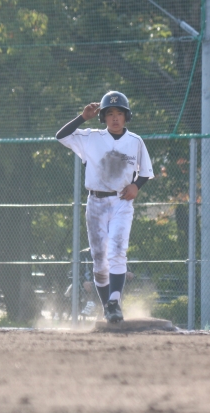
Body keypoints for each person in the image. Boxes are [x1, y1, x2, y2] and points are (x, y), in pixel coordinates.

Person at [56, 91, 154, 323]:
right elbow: (61, 136)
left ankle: (114, 302)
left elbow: (145, 172)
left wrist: (136, 186)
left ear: (126, 116)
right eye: (109, 113)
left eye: (119, 112)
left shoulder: (135, 141)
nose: (115, 117)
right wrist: (82, 118)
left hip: (121, 202)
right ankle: (108, 308)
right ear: (103, 117)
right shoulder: (91, 137)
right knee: (100, 259)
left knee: (117, 251)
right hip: (96, 203)